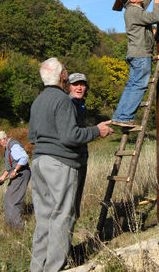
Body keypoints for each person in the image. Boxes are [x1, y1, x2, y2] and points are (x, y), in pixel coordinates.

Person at [28, 57, 113, 272]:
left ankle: (37, 267)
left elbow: (31, 136)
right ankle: (55, 267)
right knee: (62, 216)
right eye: (65, 70)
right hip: (60, 163)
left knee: (44, 218)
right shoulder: (63, 100)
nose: (67, 73)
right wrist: (97, 131)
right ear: (62, 76)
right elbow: (70, 136)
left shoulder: (38, 101)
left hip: (38, 162)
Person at [111, 0, 159, 128]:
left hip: (136, 54)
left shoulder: (133, 10)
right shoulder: (134, 12)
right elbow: (156, 16)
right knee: (139, 86)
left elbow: (145, 1)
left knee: (132, 85)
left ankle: (120, 116)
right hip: (141, 55)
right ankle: (126, 117)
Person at [0, 131, 31, 230]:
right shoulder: (7, 148)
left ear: (4, 139)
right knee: (8, 199)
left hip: (21, 173)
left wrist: (15, 170)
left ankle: (18, 228)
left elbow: (24, 158)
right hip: (17, 174)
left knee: (13, 200)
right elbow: (9, 168)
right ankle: (11, 226)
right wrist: (3, 177)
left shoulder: (13, 145)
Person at [68, 72, 89, 219]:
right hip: (70, 159)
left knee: (76, 198)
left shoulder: (81, 105)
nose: (79, 87)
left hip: (82, 157)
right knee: (68, 199)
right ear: (68, 87)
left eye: (82, 84)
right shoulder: (67, 104)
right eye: (75, 84)